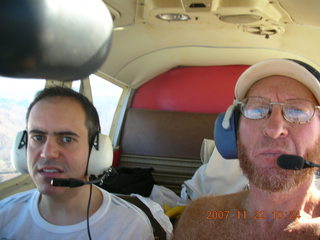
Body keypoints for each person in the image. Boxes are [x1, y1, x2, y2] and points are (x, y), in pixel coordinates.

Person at [173, 58, 320, 240]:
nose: (273, 130)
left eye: (297, 111)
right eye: (257, 110)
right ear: (235, 132)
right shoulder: (200, 220)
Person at [0, 86, 154, 239]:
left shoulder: (130, 227)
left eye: (67, 139)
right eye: (38, 138)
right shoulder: (5, 216)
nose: (47, 153)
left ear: (95, 152)